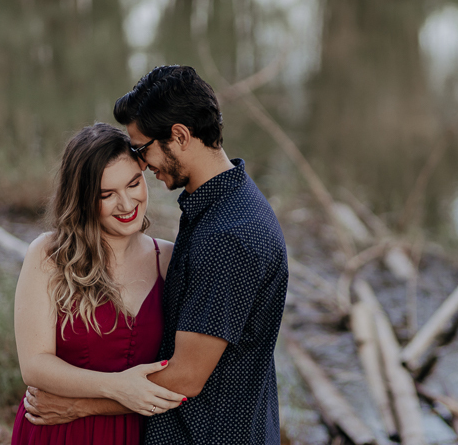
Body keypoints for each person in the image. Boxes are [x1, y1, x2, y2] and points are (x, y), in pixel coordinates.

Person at [24, 66, 289, 444]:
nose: (143, 164)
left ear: (179, 136)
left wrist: (78, 406)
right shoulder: (221, 208)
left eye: (142, 149)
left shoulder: (228, 235)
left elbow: (185, 377)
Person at [10, 122, 182, 444]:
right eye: (107, 194)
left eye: (133, 184)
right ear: (83, 199)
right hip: (57, 430)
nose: (127, 204)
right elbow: (34, 365)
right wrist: (118, 387)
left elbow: (186, 370)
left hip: (138, 433)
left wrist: (87, 404)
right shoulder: (49, 255)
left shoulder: (169, 259)